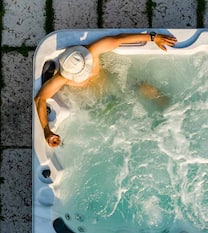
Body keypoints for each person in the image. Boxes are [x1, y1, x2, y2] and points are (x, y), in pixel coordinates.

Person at [34, 32, 177, 147]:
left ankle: (172, 110)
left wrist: (153, 38)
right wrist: (47, 131)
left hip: (113, 84)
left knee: (144, 87)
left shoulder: (92, 51)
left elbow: (119, 39)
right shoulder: (62, 78)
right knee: (111, 127)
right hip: (95, 102)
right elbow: (40, 99)